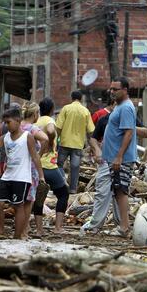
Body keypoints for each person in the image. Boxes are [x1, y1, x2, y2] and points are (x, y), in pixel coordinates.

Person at [0, 107, 44, 239]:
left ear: (18, 120)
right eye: (4, 122)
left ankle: (17, 236)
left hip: (22, 178)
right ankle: (1, 233)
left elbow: (35, 157)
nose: (6, 125)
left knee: (18, 206)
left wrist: (41, 175)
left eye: (8, 122)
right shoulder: (5, 138)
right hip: (7, 176)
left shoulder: (28, 137)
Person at [83, 95, 147, 235]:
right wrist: (98, 151)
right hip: (106, 160)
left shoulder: (127, 114)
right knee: (103, 192)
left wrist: (127, 126)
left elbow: (145, 132)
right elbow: (93, 139)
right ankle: (96, 224)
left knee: (119, 191)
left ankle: (122, 225)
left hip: (120, 159)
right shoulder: (104, 120)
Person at [87, 77, 137, 237]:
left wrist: (119, 156)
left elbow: (129, 133)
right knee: (118, 190)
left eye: (115, 89)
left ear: (125, 90)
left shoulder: (126, 108)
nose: (111, 92)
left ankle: (124, 227)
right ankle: (123, 226)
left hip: (120, 158)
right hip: (113, 158)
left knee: (121, 190)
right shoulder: (119, 106)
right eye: (111, 89)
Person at [34, 97, 71, 235]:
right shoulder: (49, 121)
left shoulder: (35, 122)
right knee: (63, 194)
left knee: (39, 197)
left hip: (36, 166)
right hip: (49, 166)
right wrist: (49, 140)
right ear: (51, 109)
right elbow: (50, 131)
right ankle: (58, 227)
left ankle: (39, 230)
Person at [20, 102, 49, 237]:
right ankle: (24, 229)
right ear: (35, 114)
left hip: (18, 167)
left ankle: (20, 228)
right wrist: (39, 155)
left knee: (19, 200)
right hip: (31, 168)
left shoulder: (17, 126)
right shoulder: (32, 128)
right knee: (29, 200)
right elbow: (46, 138)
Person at [56, 90, 95, 193]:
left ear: (71, 97)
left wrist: (57, 138)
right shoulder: (85, 111)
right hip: (78, 145)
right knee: (75, 168)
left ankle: (62, 184)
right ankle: (73, 189)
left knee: (59, 164)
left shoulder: (66, 109)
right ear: (81, 98)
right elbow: (91, 130)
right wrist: (90, 142)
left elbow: (58, 127)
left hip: (64, 142)